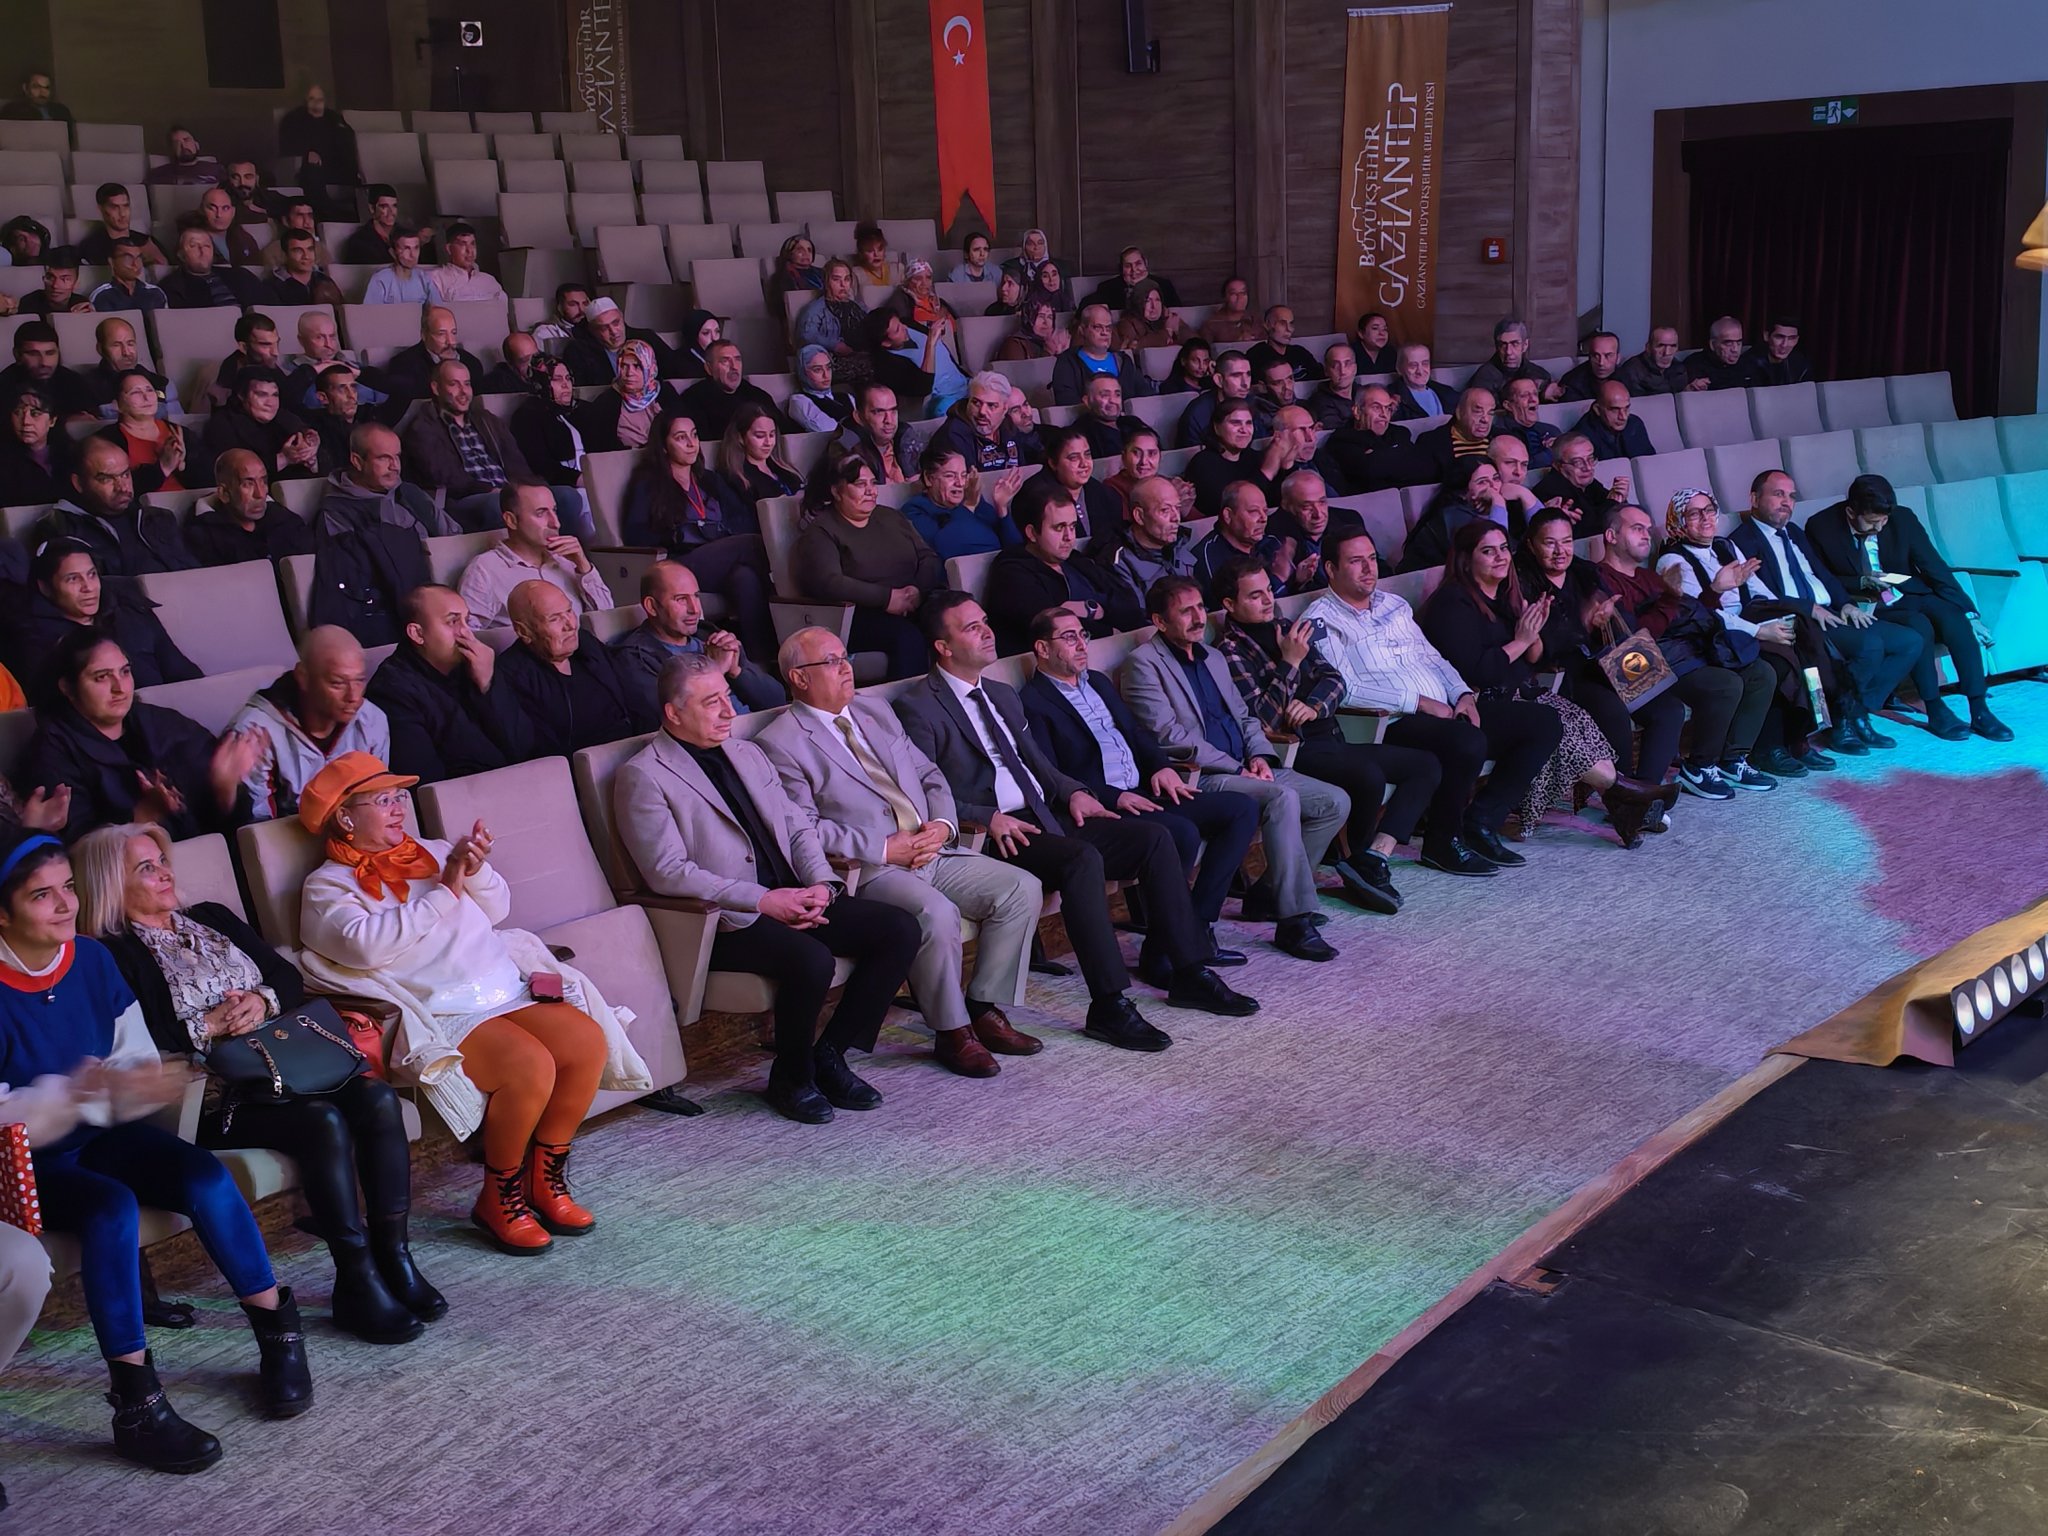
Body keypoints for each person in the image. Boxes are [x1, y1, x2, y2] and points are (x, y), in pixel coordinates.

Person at [0, 831, 309, 1471]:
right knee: (110, 1208)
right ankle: (137, 1406)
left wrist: (134, 1085)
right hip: (23, 1160)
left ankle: (279, 1332)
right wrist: (89, 1091)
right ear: (2, 915)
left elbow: (133, 1058)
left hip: (95, 1130)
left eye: (68, 887)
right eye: (41, 896)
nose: (66, 905)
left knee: (202, 1176)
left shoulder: (90, 958)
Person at [79, 822, 440, 1345]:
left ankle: (394, 1257)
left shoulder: (211, 917)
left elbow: (287, 976)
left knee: (378, 1097)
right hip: (214, 1094)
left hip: (287, 1067)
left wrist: (262, 1000)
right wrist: (208, 1025)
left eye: (162, 861)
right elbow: (137, 1036)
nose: (164, 874)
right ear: (111, 884)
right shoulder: (111, 953)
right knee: (321, 1120)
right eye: (146, 868)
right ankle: (356, 1278)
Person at [296, 753, 650, 1251]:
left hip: (502, 987)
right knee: (528, 1066)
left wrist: (475, 869)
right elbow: (364, 948)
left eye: (399, 796)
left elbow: (498, 908)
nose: (399, 808)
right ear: (345, 818)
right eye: (382, 800)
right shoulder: (326, 886)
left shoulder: (433, 850)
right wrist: (445, 890)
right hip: (438, 1009)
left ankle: (544, 1181)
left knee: (587, 1042)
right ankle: (499, 1197)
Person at [897, 593, 1255, 1041]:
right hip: (996, 832)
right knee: (1081, 860)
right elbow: (926, 789)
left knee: (1155, 838)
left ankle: (1189, 971)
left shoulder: (1000, 693)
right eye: (972, 628)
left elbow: (1038, 766)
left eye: (985, 621)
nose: (988, 632)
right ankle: (1109, 1004)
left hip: (1045, 813)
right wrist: (986, 816)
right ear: (943, 646)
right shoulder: (918, 705)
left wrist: (1076, 792)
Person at [615, 652, 918, 1122]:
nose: (728, 711)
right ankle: (791, 1079)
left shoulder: (747, 753)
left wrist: (822, 883)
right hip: (723, 919)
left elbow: (798, 827)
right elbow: (667, 871)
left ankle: (829, 1055)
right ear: (673, 713)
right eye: (711, 703)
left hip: (792, 894)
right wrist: (762, 899)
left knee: (899, 929)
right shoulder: (644, 775)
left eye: (726, 697)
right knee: (811, 959)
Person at [759, 627, 1044, 1079]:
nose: (846, 667)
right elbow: (803, 828)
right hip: (871, 867)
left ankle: (982, 1008)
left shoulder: (874, 709)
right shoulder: (779, 742)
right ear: (799, 677)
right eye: (831, 661)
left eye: (846, 656)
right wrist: (882, 847)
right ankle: (953, 1032)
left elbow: (930, 774)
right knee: (936, 913)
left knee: (1020, 888)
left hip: (931, 847)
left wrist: (942, 825)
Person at [1307, 529, 1562, 873]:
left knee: (1542, 722)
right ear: (1330, 568)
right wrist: (1420, 702)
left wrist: (1462, 694)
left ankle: (1481, 822)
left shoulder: (1393, 605)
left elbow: (1434, 659)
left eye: (1371, 559)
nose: (1369, 569)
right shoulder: (1321, 620)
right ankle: (1443, 842)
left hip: (1444, 709)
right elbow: (1345, 688)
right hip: (1387, 722)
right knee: (1466, 740)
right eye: (1356, 561)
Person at [1120, 575, 1349, 957]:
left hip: (1248, 767)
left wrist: (1259, 756)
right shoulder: (1143, 664)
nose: (1198, 618)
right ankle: (1294, 922)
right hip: (1204, 777)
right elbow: (1169, 735)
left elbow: (1244, 717)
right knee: (1281, 798)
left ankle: (1269, 894)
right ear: (1159, 621)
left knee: (1334, 802)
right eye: (1185, 611)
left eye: (1199, 607)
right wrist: (1236, 768)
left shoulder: (1212, 657)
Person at [1021, 608, 1259, 960]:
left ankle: (1196, 923)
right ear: (1042, 648)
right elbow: (1050, 771)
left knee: (1241, 808)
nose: (1082, 645)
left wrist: (1161, 767)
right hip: (1104, 805)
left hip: (1146, 789)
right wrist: (1113, 796)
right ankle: (1163, 953)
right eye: (1069, 637)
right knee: (1181, 832)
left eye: (1083, 635)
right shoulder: (1032, 701)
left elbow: (1135, 732)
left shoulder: (1098, 682)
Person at [1421, 523, 1677, 846]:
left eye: (1503, 548)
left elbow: (1530, 660)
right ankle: (1628, 793)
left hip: (1520, 691)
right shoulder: (1452, 603)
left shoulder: (1506, 594)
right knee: (1557, 726)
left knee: (1578, 720)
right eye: (1488, 551)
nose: (1500, 557)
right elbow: (1478, 672)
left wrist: (1533, 635)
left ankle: (1626, 801)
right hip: (1477, 700)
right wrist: (1522, 640)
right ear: (1465, 560)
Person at [1213, 559, 1437, 908]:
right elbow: (1261, 719)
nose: (1268, 600)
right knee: (1367, 776)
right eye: (1255, 596)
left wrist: (1314, 706)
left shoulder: (1287, 627)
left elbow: (1335, 679)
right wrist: (1290, 663)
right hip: (1292, 750)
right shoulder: (1229, 652)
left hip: (1329, 734)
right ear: (1229, 603)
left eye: (1269, 590)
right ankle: (1356, 860)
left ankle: (1373, 857)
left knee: (1425, 766)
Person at [1731, 469, 1927, 756]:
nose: (1787, 502)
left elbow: (1823, 575)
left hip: (1830, 611)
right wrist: (1808, 608)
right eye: (1778, 494)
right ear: (1754, 499)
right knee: (1869, 646)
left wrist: (1846, 603)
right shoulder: (1741, 541)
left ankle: (1854, 711)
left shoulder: (1794, 532)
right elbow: (1759, 597)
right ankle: (1842, 722)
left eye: (1791, 496)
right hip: (1800, 620)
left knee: (1909, 642)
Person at [1804, 473, 2013, 742]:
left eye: (1884, 520)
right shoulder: (1821, 526)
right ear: (1851, 512)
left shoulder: (1902, 518)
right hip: (1867, 602)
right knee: (1919, 626)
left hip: (1907, 591)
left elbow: (1934, 567)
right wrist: (1861, 581)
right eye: (1872, 522)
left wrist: (1969, 612)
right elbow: (1822, 579)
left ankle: (1979, 708)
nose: (1880, 527)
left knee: (1955, 618)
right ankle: (1935, 707)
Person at [1596, 502, 1781, 800]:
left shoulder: (1647, 577)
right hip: (1646, 663)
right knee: (1725, 684)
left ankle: (1733, 760)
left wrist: (1715, 590)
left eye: (1648, 529)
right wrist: (1672, 602)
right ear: (1611, 536)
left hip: (1685, 649)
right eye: (1637, 528)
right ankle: (1699, 767)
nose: (1646, 535)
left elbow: (1690, 614)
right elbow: (1633, 637)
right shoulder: (1600, 578)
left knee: (1761, 673)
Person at [1657, 487, 1838, 779]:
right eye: (1694, 513)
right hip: (1717, 634)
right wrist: (1759, 631)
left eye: (1709, 510)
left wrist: (1782, 615)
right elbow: (1700, 616)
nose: (1706, 518)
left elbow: (1757, 590)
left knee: (1809, 646)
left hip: (1749, 621)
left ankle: (1804, 733)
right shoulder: (1672, 562)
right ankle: (1768, 747)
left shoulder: (1726, 546)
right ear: (1678, 521)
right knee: (1777, 666)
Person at [1518, 506, 1685, 806]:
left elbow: (1625, 624)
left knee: (1668, 709)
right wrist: (1585, 624)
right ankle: (1627, 799)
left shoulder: (1584, 572)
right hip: (1561, 675)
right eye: (1550, 543)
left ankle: (1641, 795)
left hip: (1604, 661)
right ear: (1531, 545)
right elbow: (1538, 649)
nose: (1560, 551)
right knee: (1613, 711)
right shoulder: (1522, 582)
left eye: (1566, 541)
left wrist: (1604, 619)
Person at [19, 631, 258, 841]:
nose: (120, 688)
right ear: (68, 688)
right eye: (101, 677)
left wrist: (225, 788)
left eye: (125, 672)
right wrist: (142, 816)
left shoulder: (163, 723)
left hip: (212, 860)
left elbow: (225, 826)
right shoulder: (52, 754)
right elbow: (79, 851)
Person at [620, 408, 774, 662]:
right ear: (664, 446)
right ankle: (795, 597)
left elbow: (742, 519)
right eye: (681, 438)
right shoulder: (649, 484)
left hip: (719, 556)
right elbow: (636, 535)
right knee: (755, 544)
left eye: (694, 435)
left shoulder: (708, 480)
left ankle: (760, 663)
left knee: (745, 577)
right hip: (680, 562)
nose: (691, 444)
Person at [792, 454, 944, 678]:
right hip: (859, 615)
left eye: (873, 483)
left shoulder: (891, 516)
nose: (871, 491)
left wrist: (916, 591)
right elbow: (828, 582)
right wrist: (887, 598)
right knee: (907, 636)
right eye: (860, 484)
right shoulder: (822, 531)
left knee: (956, 617)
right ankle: (912, 698)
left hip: (914, 600)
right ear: (836, 491)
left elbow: (928, 557)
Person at [366, 585, 537, 783]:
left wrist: (488, 684)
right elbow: (424, 781)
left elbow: (525, 747)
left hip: (521, 783)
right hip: (466, 796)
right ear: (417, 634)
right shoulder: (391, 690)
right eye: (453, 621)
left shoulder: (478, 664)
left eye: (467, 620)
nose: (466, 632)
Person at [8, 537, 199, 692]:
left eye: (92, 575)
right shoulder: (33, 639)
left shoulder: (131, 610)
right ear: (45, 587)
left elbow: (183, 672)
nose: (88, 587)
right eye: (73, 579)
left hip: (166, 716)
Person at [611, 559, 785, 723]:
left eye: (696, 596)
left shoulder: (709, 636)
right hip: (722, 738)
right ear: (652, 606)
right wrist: (716, 671)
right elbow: (673, 720)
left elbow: (777, 700)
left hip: (759, 729)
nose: (695, 609)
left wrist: (736, 672)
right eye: (681, 599)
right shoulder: (636, 658)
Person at [498, 579, 649, 753]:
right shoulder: (512, 675)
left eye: (569, 611)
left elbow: (633, 698)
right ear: (524, 631)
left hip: (637, 749)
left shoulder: (585, 642)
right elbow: (541, 751)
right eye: (554, 619)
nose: (570, 625)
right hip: (589, 764)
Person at [984, 482, 1131, 653]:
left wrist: (1094, 610)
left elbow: (1128, 601)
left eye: (1073, 526)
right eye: (1059, 527)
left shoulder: (1075, 559)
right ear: (1032, 533)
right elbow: (1053, 628)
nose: (1069, 537)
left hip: (1108, 649)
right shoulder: (1011, 572)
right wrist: (1110, 631)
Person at [400, 360, 534, 531]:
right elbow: (445, 476)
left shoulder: (487, 420)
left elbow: (516, 462)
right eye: (454, 384)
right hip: (463, 499)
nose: (463, 391)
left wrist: (528, 489)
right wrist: (490, 490)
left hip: (507, 493)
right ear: (436, 388)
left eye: (467, 384)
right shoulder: (423, 427)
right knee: (498, 506)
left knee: (563, 496)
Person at [459, 482, 613, 630]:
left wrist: (584, 567)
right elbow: (467, 632)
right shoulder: (485, 569)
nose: (556, 523)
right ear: (511, 520)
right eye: (541, 513)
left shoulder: (567, 559)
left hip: (585, 646)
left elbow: (605, 620)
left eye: (554, 510)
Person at [35, 436, 196, 577]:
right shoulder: (62, 529)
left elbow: (193, 572)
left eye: (125, 475)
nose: (123, 487)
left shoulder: (158, 519)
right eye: (106, 479)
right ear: (78, 483)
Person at [184, 448, 314, 567]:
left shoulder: (285, 521)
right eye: (248, 484)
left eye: (263, 481)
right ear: (224, 493)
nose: (260, 494)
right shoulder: (203, 538)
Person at [203, 368, 325, 483]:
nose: (270, 403)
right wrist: (283, 459)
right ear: (241, 395)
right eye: (262, 394)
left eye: (275, 395)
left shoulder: (285, 418)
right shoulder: (221, 425)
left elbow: (325, 463)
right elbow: (231, 473)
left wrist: (310, 454)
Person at [901, 446, 1021, 559]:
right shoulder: (914, 512)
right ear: (929, 479)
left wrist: (1001, 509)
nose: (960, 483)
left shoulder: (974, 500)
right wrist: (968, 506)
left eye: (963, 475)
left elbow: (1015, 549)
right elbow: (947, 548)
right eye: (950, 476)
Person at [1316, 383, 1436, 495]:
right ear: (1357, 411)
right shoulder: (1341, 440)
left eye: (1388, 408)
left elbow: (1427, 467)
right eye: (1376, 407)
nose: (1384, 414)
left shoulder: (1400, 433)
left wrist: (1376, 456)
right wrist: (1397, 455)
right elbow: (1368, 471)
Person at [1102, 474, 1199, 613]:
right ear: (1139, 516)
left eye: (1177, 508)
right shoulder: (1119, 561)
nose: (1176, 518)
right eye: (1165, 510)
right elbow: (1138, 617)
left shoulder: (1179, 545)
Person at [509, 354, 587, 513]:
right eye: (557, 379)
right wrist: (580, 479)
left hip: (590, 477)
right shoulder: (527, 416)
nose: (566, 385)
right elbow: (541, 467)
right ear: (541, 383)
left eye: (568, 378)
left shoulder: (581, 410)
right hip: (565, 485)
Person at [1402, 457, 1507, 574]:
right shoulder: (1454, 515)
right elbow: (1494, 550)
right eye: (1482, 482)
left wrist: (1523, 496)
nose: (1493, 486)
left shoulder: (1493, 507)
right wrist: (1499, 503)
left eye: (1496, 478)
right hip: (1424, 581)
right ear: (1462, 493)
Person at [919, 369, 1037, 473]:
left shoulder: (1008, 426)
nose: (982, 412)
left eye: (991, 405)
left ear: (1005, 408)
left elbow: (1024, 468)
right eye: (976, 403)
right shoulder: (953, 436)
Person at [677, 339, 793, 443]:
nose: (734, 366)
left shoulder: (758, 396)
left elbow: (784, 432)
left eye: (738, 359)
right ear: (708, 368)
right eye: (725, 361)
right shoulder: (694, 399)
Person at [1268, 470, 1361, 596]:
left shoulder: (1349, 521)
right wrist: (1297, 582)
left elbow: (1378, 567)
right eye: (1306, 507)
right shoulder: (1273, 534)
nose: (1318, 514)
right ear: (1287, 506)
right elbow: (1272, 594)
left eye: (1322, 502)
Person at [573, 338, 671, 455]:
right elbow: (601, 449)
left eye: (637, 366)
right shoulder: (606, 404)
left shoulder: (666, 393)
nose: (629, 373)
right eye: (624, 365)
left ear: (651, 368)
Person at [98, 371, 190, 494]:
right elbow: (116, 491)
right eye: (135, 392)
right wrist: (163, 467)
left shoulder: (180, 432)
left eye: (150, 390)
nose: (146, 397)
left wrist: (183, 463)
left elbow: (208, 481)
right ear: (116, 405)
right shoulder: (107, 441)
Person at [277, 84, 360, 217]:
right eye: (312, 99)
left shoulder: (333, 117)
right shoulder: (293, 119)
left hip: (337, 166)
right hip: (310, 169)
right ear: (305, 101)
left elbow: (348, 140)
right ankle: (324, 212)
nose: (316, 104)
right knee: (312, 169)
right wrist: (306, 153)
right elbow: (287, 146)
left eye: (320, 100)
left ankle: (355, 213)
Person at [1193, 480, 1287, 596]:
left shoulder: (1272, 544)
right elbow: (1225, 603)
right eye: (1253, 512)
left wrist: (1299, 580)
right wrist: (1279, 578)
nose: (1264, 518)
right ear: (1228, 515)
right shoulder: (1208, 556)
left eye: (1265, 511)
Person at [1051, 303, 1154, 407]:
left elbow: (1146, 397)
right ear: (1082, 330)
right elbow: (1068, 406)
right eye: (1098, 327)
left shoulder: (1124, 361)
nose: (1105, 332)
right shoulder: (1067, 363)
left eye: (1108, 328)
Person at [86, 317, 182, 420]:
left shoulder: (162, 384)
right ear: (100, 349)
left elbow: (177, 422)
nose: (126, 352)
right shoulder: (86, 387)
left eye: (130, 344)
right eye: (116, 345)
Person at [386, 306, 487, 404]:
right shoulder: (404, 365)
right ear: (424, 335)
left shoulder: (472, 364)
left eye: (453, 333)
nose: (450, 342)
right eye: (441, 334)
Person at [794, 261, 870, 387]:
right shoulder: (815, 309)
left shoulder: (858, 306)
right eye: (836, 279)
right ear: (826, 282)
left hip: (863, 355)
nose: (843, 285)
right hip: (834, 361)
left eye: (846, 279)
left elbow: (873, 322)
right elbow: (805, 336)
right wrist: (834, 345)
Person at [1530, 431, 1631, 526]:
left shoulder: (1586, 483)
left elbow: (1607, 503)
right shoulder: (1552, 491)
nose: (1588, 467)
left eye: (1590, 459)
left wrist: (1619, 497)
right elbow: (1589, 528)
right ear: (1557, 465)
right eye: (1577, 462)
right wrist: (1613, 502)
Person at [1, 321, 96, 422]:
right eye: (33, 354)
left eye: (50, 353)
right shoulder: (4, 385)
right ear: (17, 355)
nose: (44, 363)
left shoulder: (73, 381)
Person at [0, 381, 70, 505]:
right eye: (18, 413)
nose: (26, 422)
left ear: (52, 420)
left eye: (35, 414)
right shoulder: (4, 459)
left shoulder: (70, 454)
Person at [1175, 349, 1258, 451]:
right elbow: (1190, 456)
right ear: (1219, 380)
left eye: (1248, 375)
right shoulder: (1197, 414)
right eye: (1236, 375)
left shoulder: (1251, 403)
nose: (1245, 383)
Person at [1467, 318, 1560, 401]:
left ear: (1525, 345)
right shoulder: (1484, 378)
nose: (1508, 352)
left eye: (1515, 344)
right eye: (1503, 345)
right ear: (1497, 347)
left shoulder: (1540, 374)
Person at [1415, 386, 1499, 477]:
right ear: (1459, 413)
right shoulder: (1431, 442)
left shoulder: (1501, 438)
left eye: (1491, 413)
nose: (1486, 419)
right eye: (1478, 411)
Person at [77, 187, 167, 267]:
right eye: (114, 207)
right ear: (101, 209)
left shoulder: (146, 241)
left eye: (126, 206)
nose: (122, 213)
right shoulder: (92, 247)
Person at [1574, 379, 1659, 462]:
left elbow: (1650, 462)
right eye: (1615, 410)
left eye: (1626, 408)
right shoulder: (1582, 438)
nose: (1623, 417)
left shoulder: (1635, 424)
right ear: (1598, 410)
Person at [257, 227, 343, 308]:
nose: (306, 256)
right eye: (298, 251)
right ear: (285, 254)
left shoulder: (325, 280)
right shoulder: (272, 286)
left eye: (310, 249)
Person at [88, 236, 167, 314]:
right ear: (111, 262)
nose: (135, 264)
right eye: (128, 258)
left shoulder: (156, 293)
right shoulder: (102, 295)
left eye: (138, 258)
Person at [430, 221, 505, 304]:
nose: (470, 250)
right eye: (463, 244)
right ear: (449, 248)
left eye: (472, 244)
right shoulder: (436, 279)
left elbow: (504, 308)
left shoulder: (489, 281)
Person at [362, 224, 435, 306]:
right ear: (393, 252)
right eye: (406, 249)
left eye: (416, 248)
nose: (412, 255)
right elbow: (370, 312)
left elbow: (438, 310)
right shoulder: (380, 280)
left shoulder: (425, 279)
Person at [1686, 316, 1766, 391]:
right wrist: (1689, 389)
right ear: (1712, 344)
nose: (1735, 349)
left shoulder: (1749, 365)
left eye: (1739, 343)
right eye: (1728, 343)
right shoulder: (1694, 365)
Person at [788, 345, 854, 434]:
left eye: (828, 367)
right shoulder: (799, 400)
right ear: (803, 372)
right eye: (818, 370)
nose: (826, 375)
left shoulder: (847, 397)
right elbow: (830, 430)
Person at [1094, 246, 1182, 313]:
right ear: (1121, 269)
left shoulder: (1165, 286)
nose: (1134, 270)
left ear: (1145, 263)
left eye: (1138, 263)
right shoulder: (1106, 289)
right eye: (1128, 266)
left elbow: (1178, 314)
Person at [1247, 306, 1321, 383]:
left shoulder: (1300, 353)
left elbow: (1320, 377)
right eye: (1282, 323)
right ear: (1268, 325)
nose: (1289, 329)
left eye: (1291, 323)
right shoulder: (1256, 355)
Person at [193, 186, 264, 266]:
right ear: (201, 210)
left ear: (233, 212)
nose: (219, 214)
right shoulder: (191, 241)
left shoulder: (244, 238)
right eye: (212, 208)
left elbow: (256, 268)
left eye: (225, 208)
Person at [1113, 280, 1190, 353]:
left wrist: (1177, 332)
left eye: (1157, 300)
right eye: (1148, 301)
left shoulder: (1168, 317)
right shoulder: (1127, 323)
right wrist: (1167, 332)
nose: (1154, 306)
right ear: (1138, 303)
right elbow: (1133, 347)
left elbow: (1194, 343)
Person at [340, 186, 407, 266]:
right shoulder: (360, 242)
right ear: (372, 208)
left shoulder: (405, 234)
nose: (391, 212)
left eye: (394, 206)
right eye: (384, 206)